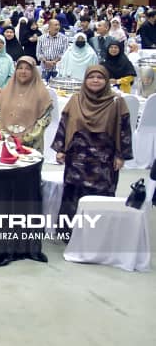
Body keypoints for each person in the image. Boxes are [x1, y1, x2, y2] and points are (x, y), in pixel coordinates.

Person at [53, 65, 133, 232]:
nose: (95, 80)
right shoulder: (76, 99)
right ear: (85, 80)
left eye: (100, 77)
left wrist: (121, 155)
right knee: (74, 194)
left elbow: (124, 130)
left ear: (106, 81)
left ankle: (97, 233)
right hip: (77, 159)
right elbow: (64, 124)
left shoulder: (116, 102)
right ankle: (70, 232)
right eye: (91, 77)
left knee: (99, 197)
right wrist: (61, 149)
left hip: (103, 161)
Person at [0, 56, 54, 150]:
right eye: (20, 68)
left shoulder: (42, 94)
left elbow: (44, 121)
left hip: (31, 146)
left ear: (34, 71)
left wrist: (24, 138)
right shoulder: (6, 91)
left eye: (27, 69)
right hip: (6, 143)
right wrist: (6, 135)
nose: (23, 71)